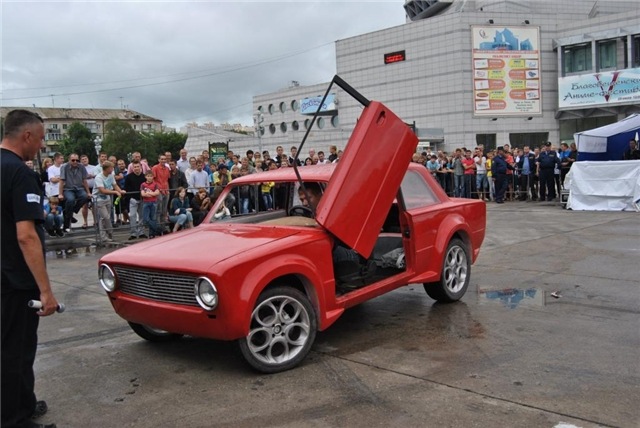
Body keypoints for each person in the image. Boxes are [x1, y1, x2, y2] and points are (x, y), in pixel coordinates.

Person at [1, 109, 59, 428]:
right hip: (14, 280)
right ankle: (14, 418)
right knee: (16, 350)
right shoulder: (20, 173)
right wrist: (45, 290)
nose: (40, 147)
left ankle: (20, 401)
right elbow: (26, 236)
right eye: (39, 140)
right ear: (26, 136)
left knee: (7, 346)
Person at [93, 161, 125, 243]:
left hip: (107, 199)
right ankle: (105, 235)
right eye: (111, 168)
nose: (113, 169)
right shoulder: (99, 177)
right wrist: (115, 192)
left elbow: (115, 185)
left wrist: (120, 191)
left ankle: (108, 233)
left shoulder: (111, 175)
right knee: (105, 217)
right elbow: (102, 190)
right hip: (99, 199)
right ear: (106, 169)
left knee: (107, 217)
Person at [58, 153, 90, 232]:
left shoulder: (81, 167)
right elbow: (61, 180)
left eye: (77, 160)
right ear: (69, 160)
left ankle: (72, 211)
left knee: (85, 196)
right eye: (73, 160)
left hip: (79, 188)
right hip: (68, 188)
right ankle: (69, 216)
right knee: (70, 199)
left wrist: (88, 192)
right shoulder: (64, 167)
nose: (75, 161)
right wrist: (60, 193)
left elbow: (84, 180)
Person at [124, 160, 147, 240]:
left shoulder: (144, 177)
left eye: (138, 167)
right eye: (135, 167)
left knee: (141, 216)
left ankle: (141, 232)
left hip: (142, 199)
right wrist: (130, 198)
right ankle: (133, 233)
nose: (136, 168)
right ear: (132, 168)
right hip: (133, 199)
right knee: (133, 216)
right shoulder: (128, 177)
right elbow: (126, 188)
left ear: (141, 167)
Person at [140, 171, 163, 238]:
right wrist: (151, 193)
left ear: (153, 177)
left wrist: (148, 194)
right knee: (146, 219)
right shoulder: (143, 184)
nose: (149, 178)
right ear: (145, 177)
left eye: (151, 176)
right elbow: (142, 194)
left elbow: (157, 193)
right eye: (148, 176)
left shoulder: (155, 184)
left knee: (153, 218)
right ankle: (158, 229)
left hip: (153, 202)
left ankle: (151, 234)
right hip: (146, 202)